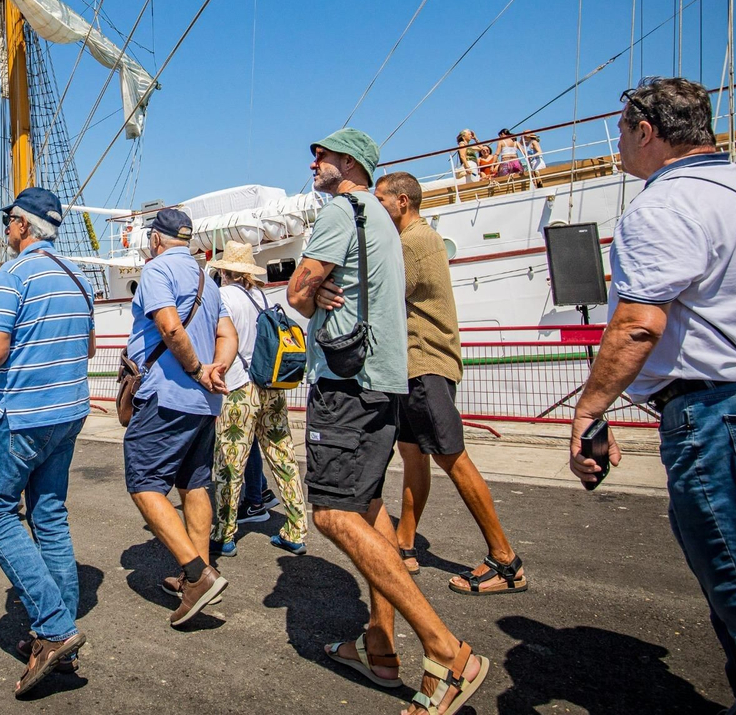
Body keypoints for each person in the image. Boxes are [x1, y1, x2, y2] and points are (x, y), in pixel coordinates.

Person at [569, 77, 736, 715]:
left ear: (646, 131)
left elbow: (639, 322)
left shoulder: (662, 206)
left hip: (723, 418)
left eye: (621, 131)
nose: (617, 145)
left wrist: (590, 409)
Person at [286, 128, 490, 715]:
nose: (313, 159)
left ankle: (446, 650)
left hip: (345, 385)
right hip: (384, 381)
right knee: (371, 509)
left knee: (331, 512)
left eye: (320, 152)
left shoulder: (339, 209)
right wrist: (324, 286)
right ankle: (378, 645)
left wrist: (314, 288)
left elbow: (299, 294)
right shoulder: (381, 219)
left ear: (349, 162)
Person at [374, 171, 526, 594]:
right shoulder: (424, 237)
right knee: (414, 455)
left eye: (381, 200)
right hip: (414, 367)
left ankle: (505, 559)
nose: (377, 208)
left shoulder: (411, 242)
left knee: (452, 456)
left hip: (424, 364)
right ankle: (405, 541)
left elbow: (383, 296)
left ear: (402, 201)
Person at [0, 188, 96, 694]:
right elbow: (88, 345)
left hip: (25, 413)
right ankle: (59, 626)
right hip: (70, 411)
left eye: (9, 221)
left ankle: (53, 625)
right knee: (48, 512)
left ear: (23, 225)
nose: (6, 229)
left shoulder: (16, 273)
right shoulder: (79, 277)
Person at [123, 207, 236, 626]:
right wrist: (215, 369)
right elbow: (228, 334)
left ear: (155, 238)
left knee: (144, 482)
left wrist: (194, 369)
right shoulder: (206, 278)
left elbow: (170, 328)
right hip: (204, 402)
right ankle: (203, 571)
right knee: (194, 483)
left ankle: (197, 574)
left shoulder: (157, 271)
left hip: (167, 395)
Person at [206, 240, 309, 557]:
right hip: (272, 386)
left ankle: (225, 533)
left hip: (240, 388)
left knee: (228, 464)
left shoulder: (223, 296)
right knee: (283, 458)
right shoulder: (261, 296)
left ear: (224, 270)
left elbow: (219, 339)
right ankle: (296, 529)